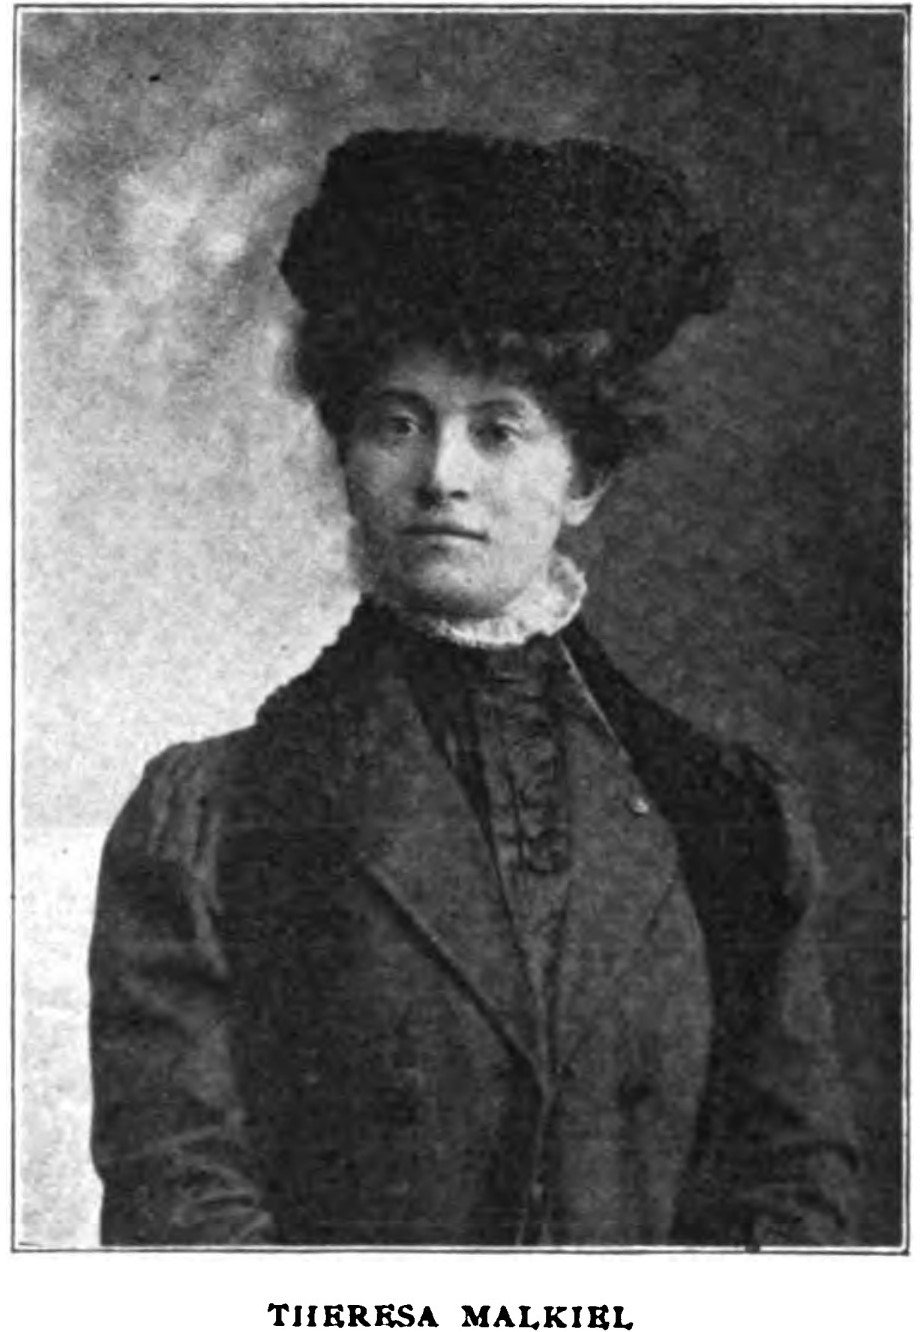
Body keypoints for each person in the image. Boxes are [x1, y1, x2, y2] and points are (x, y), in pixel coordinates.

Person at [88, 129, 858, 1247]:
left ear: (585, 478)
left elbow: (797, 1199)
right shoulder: (216, 821)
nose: (442, 474)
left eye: (498, 430)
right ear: (348, 456)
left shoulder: (725, 818)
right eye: (398, 423)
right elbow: (181, 1220)